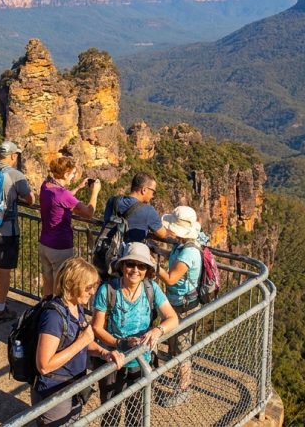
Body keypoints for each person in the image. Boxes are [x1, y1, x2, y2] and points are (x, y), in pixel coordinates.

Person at [92, 242, 179, 425]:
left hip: (141, 360)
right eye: (130, 264)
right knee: (110, 414)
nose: (135, 270)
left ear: (147, 270)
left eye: (141, 266)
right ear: (122, 266)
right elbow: (97, 328)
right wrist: (119, 343)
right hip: (113, 360)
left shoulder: (151, 289)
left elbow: (172, 317)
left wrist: (157, 330)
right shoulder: (107, 290)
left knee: (136, 413)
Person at [33, 257, 123, 426]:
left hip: (73, 385)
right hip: (55, 391)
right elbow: (44, 365)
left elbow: (83, 341)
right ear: (71, 284)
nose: (92, 292)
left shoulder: (76, 307)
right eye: (88, 287)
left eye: (94, 286)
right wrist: (82, 342)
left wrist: (104, 353)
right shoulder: (53, 317)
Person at [155, 206, 206, 407]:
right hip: (176, 304)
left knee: (182, 349)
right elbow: (173, 257)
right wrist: (157, 250)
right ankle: (178, 381)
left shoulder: (190, 253)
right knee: (174, 346)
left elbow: (170, 278)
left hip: (185, 307)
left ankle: (184, 389)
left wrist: (151, 264)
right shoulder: (181, 245)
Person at [0, 141, 33, 323]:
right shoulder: (16, 175)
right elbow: (30, 199)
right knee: (4, 271)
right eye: (15, 154)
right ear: (11, 156)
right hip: (7, 231)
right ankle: (0, 310)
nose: (16, 157)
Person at [37, 156, 99, 298]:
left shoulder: (46, 186)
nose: (73, 177)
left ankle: (45, 313)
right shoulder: (63, 195)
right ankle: (58, 317)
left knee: (48, 285)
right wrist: (95, 192)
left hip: (45, 245)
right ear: (65, 174)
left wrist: (78, 187)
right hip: (60, 247)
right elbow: (89, 213)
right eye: (72, 174)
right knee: (61, 288)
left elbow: (60, 200)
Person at [102, 173, 175, 252]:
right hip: (126, 258)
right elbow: (163, 234)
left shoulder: (112, 200)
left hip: (104, 251)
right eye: (153, 192)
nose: (153, 196)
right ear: (144, 190)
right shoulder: (149, 211)